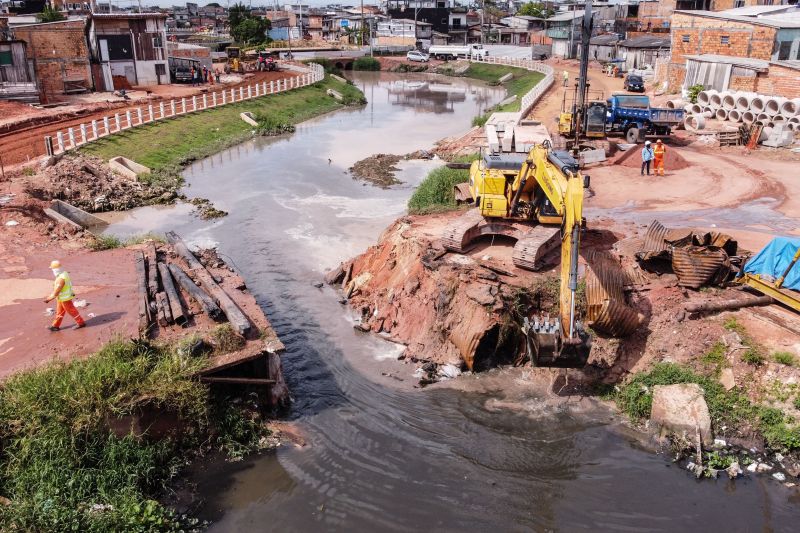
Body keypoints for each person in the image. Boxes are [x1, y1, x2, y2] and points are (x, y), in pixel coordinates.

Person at [44, 260, 85, 332]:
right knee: (59, 312)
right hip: (61, 298)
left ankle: (81, 323)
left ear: (55, 270)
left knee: (72, 311)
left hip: (65, 298)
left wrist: (48, 299)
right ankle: (55, 326)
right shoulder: (64, 273)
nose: (52, 271)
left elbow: (57, 291)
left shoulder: (61, 279)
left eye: (52, 269)